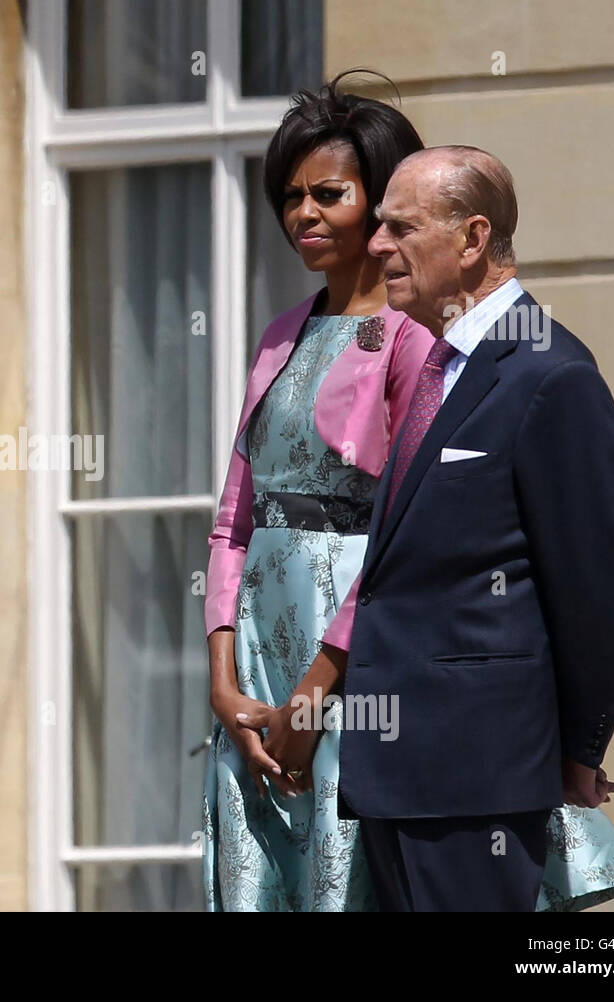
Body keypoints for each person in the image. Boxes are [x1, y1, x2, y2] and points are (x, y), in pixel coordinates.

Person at [331, 145, 614, 911]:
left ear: (472, 240)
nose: (376, 246)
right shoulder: (440, 368)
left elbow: (593, 586)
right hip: (394, 776)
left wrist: (577, 748)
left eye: (401, 228)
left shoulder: (552, 375)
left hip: (476, 777)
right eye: (378, 227)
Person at [201, 72, 434, 911]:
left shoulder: (413, 342)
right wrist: (223, 677)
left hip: (352, 651)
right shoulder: (278, 333)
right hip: (259, 639)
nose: (303, 214)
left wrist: (314, 693)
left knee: (346, 858)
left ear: (381, 199)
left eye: (328, 193)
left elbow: (405, 533)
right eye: (290, 196)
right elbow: (233, 516)